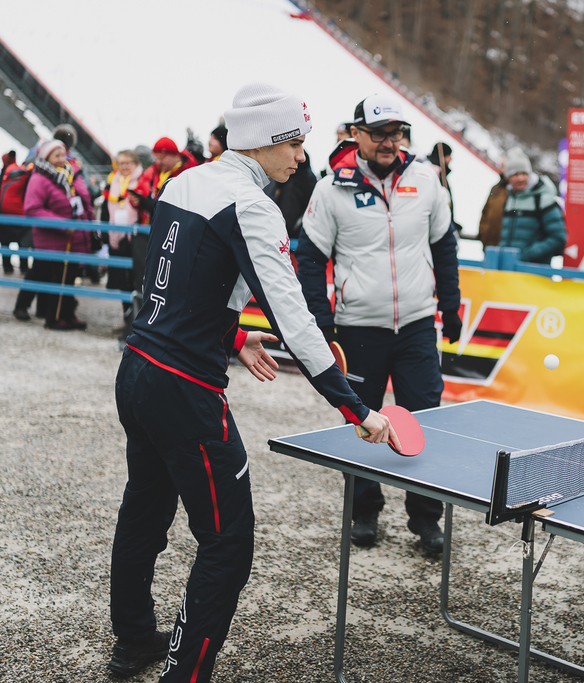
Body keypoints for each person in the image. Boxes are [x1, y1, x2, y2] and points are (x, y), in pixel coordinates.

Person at [107, 82, 394, 682]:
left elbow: (172, 285)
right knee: (228, 542)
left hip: (137, 369)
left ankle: (133, 641)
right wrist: (355, 408)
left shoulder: (184, 182)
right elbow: (295, 318)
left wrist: (234, 336)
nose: (301, 157)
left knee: (144, 512)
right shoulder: (253, 206)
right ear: (262, 142)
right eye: (293, 143)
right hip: (185, 388)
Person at [296, 93, 462, 555]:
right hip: (358, 328)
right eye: (379, 134)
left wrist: (451, 307)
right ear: (357, 135)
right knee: (362, 420)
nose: (389, 142)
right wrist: (321, 321)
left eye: (397, 133)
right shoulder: (331, 188)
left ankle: (426, 517)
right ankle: (364, 511)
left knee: (425, 419)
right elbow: (310, 259)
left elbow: (444, 247)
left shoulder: (426, 179)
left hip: (416, 325)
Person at [12, 139, 93, 329]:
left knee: (68, 277)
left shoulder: (67, 176)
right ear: (46, 157)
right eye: (56, 155)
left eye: (63, 154)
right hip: (52, 238)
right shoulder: (39, 179)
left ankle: (67, 314)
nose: (61, 159)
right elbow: (33, 208)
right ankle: (53, 318)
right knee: (53, 278)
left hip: (71, 238)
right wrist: (63, 224)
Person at [128, 136, 198, 293]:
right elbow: (140, 192)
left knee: (169, 275)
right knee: (146, 273)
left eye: (162, 157)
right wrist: (136, 201)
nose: (158, 161)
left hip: (174, 233)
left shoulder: (188, 173)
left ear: (175, 155)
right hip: (150, 230)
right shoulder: (151, 171)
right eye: (156, 157)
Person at [100, 149, 143, 334]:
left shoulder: (142, 180)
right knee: (122, 281)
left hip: (135, 237)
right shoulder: (113, 180)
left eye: (128, 163)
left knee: (136, 280)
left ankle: (138, 323)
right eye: (121, 163)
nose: (124, 167)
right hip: (116, 235)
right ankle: (127, 320)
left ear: (135, 164)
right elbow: (106, 207)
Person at [498, 148, 566, 264]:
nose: (520, 178)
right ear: (508, 177)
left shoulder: (544, 200)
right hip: (508, 268)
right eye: (515, 174)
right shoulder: (510, 199)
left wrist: (527, 255)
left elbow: (558, 238)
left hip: (533, 270)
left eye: (524, 173)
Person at [476, 157, 506, 248]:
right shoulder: (495, 188)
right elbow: (485, 211)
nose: (500, 169)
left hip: (505, 245)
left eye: (503, 166)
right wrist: (483, 232)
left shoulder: (514, 190)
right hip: (489, 244)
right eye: (500, 166)